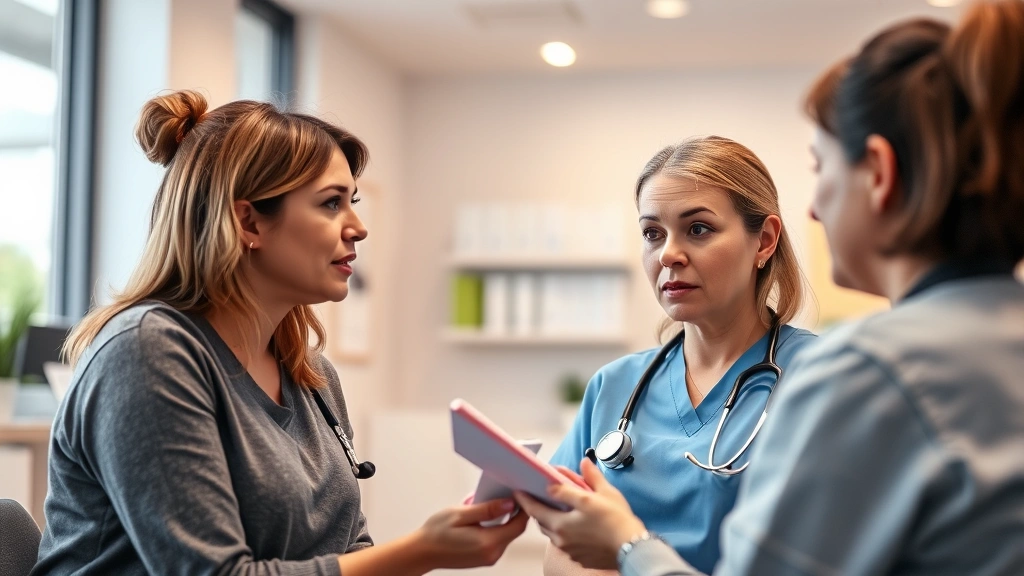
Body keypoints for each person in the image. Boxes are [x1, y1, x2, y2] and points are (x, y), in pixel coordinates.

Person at [518, 1, 1024, 574]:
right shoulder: (617, 385)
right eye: (652, 233)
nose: (816, 205)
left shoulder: (858, 371)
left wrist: (626, 546)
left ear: (878, 174)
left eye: (821, 166)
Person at [31, 90, 527, 575]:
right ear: (249, 221)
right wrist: (424, 552)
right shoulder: (147, 353)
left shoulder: (313, 378)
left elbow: (347, 548)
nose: (358, 227)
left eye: (352, 202)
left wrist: (430, 548)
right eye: (332, 204)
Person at [543, 136, 818, 575]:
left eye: (698, 229)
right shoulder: (615, 385)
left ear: (763, 242)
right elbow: (562, 543)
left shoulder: (821, 378)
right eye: (653, 233)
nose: (668, 254)